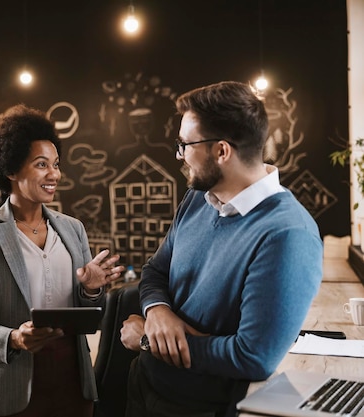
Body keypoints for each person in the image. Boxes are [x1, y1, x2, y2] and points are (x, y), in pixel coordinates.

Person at [120, 81, 323, 417]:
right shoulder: (198, 198)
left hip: (197, 407)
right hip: (144, 385)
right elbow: (155, 270)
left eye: (185, 144)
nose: (179, 155)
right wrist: (158, 312)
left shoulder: (287, 234)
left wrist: (149, 341)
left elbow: (253, 356)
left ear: (222, 151)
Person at [0, 104, 124, 417]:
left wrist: (89, 290)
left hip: (72, 380)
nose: (54, 175)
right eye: (41, 164)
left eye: (56, 165)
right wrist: (14, 338)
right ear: (11, 170)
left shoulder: (73, 229)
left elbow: (88, 316)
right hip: (9, 384)